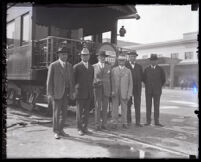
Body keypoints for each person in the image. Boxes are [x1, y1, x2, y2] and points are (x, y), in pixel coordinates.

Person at [47, 46, 75, 139]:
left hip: (66, 93)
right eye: (63, 54)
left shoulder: (70, 66)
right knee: (56, 113)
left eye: (66, 54)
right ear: (59, 55)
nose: (65, 56)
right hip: (57, 93)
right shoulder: (53, 65)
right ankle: (56, 131)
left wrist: (72, 91)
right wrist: (50, 94)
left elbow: (71, 81)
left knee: (64, 113)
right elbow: (49, 81)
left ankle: (61, 130)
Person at [73, 47, 94, 136]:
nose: (85, 57)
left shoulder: (91, 67)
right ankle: (79, 129)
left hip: (88, 93)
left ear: (89, 56)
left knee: (86, 112)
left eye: (87, 55)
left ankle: (85, 128)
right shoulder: (77, 67)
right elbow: (73, 81)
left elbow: (92, 79)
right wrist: (74, 92)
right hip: (80, 93)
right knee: (79, 112)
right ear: (81, 56)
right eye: (83, 55)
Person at [143, 54, 166, 127]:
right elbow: (144, 79)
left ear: (157, 61)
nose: (153, 62)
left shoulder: (160, 69)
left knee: (156, 106)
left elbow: (163, 80)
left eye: (155, 60)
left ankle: (157, 121)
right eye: (152, 60)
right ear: (150, 61)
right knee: (148, 106)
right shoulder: (146, 69)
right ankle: (148, 121)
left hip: (157, 91)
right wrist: (148, 86)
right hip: (148, 91)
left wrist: (158, 86)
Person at [111, 54, 133, 129]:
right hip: (115, 92)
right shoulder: (114, 70)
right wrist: (112, 91)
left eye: (123, 60)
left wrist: (129, 94)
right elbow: (111, 82)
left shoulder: (128, 71)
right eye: (120, 60)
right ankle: (114, 123)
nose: (121, 62)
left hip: (124, 93)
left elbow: (130, 84)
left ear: (125, 61)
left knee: (124, 108)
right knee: (115, 108)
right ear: (118, 61)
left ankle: (124, 123)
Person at [93, 51, 111, 131]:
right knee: (97, 107)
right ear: (98, 57)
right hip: (97, 89)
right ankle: (97, 125)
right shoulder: (94, 67)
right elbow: (92, 79)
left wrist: (111, 89)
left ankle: (104, 124)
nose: (102, 58)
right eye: (101, 56)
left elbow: (111, 79)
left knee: (105, 107)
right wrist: (96, 82)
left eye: (104, 57)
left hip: (106, 89)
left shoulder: (109, 66)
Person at [126, 51, 143, 127]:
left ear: (136, 57)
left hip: (137, 88)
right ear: (129, 57)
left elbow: (142, 77)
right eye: (131, 56)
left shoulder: (139, 66)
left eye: (134, 56)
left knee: (137, 104)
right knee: (128, 104)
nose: (133, 58)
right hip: (128, 88)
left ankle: (138, 122)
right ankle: (128, 121)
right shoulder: (125, 65)